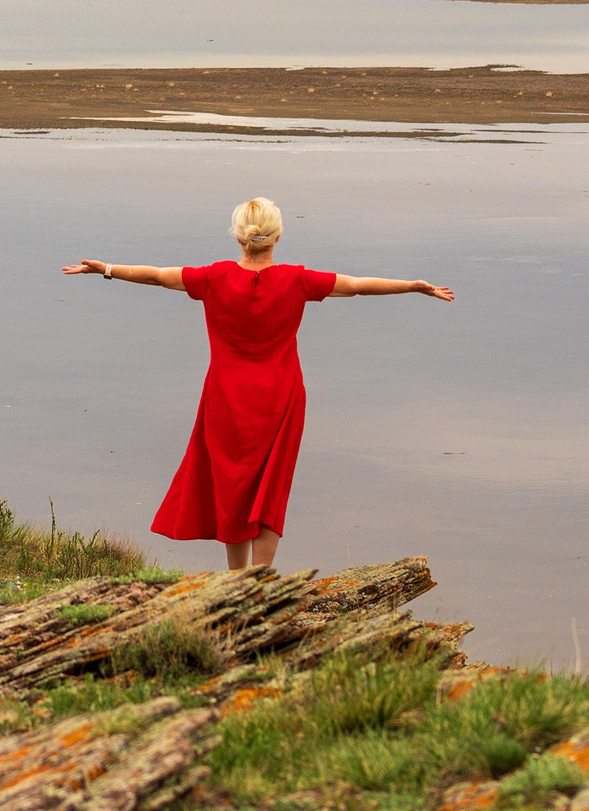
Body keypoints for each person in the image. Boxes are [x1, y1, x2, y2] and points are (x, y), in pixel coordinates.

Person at [63, 197, 452, 571]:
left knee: (232, 481)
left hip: (226, 396)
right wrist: (412, 285)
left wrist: (107, 268)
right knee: (271, 484)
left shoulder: (213, 277)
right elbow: (355, 285)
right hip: (280, 397)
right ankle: (262, 577)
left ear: (239, 237)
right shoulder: (297, 280)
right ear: (277, 237)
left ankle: (238, 578)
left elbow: (159, 276)